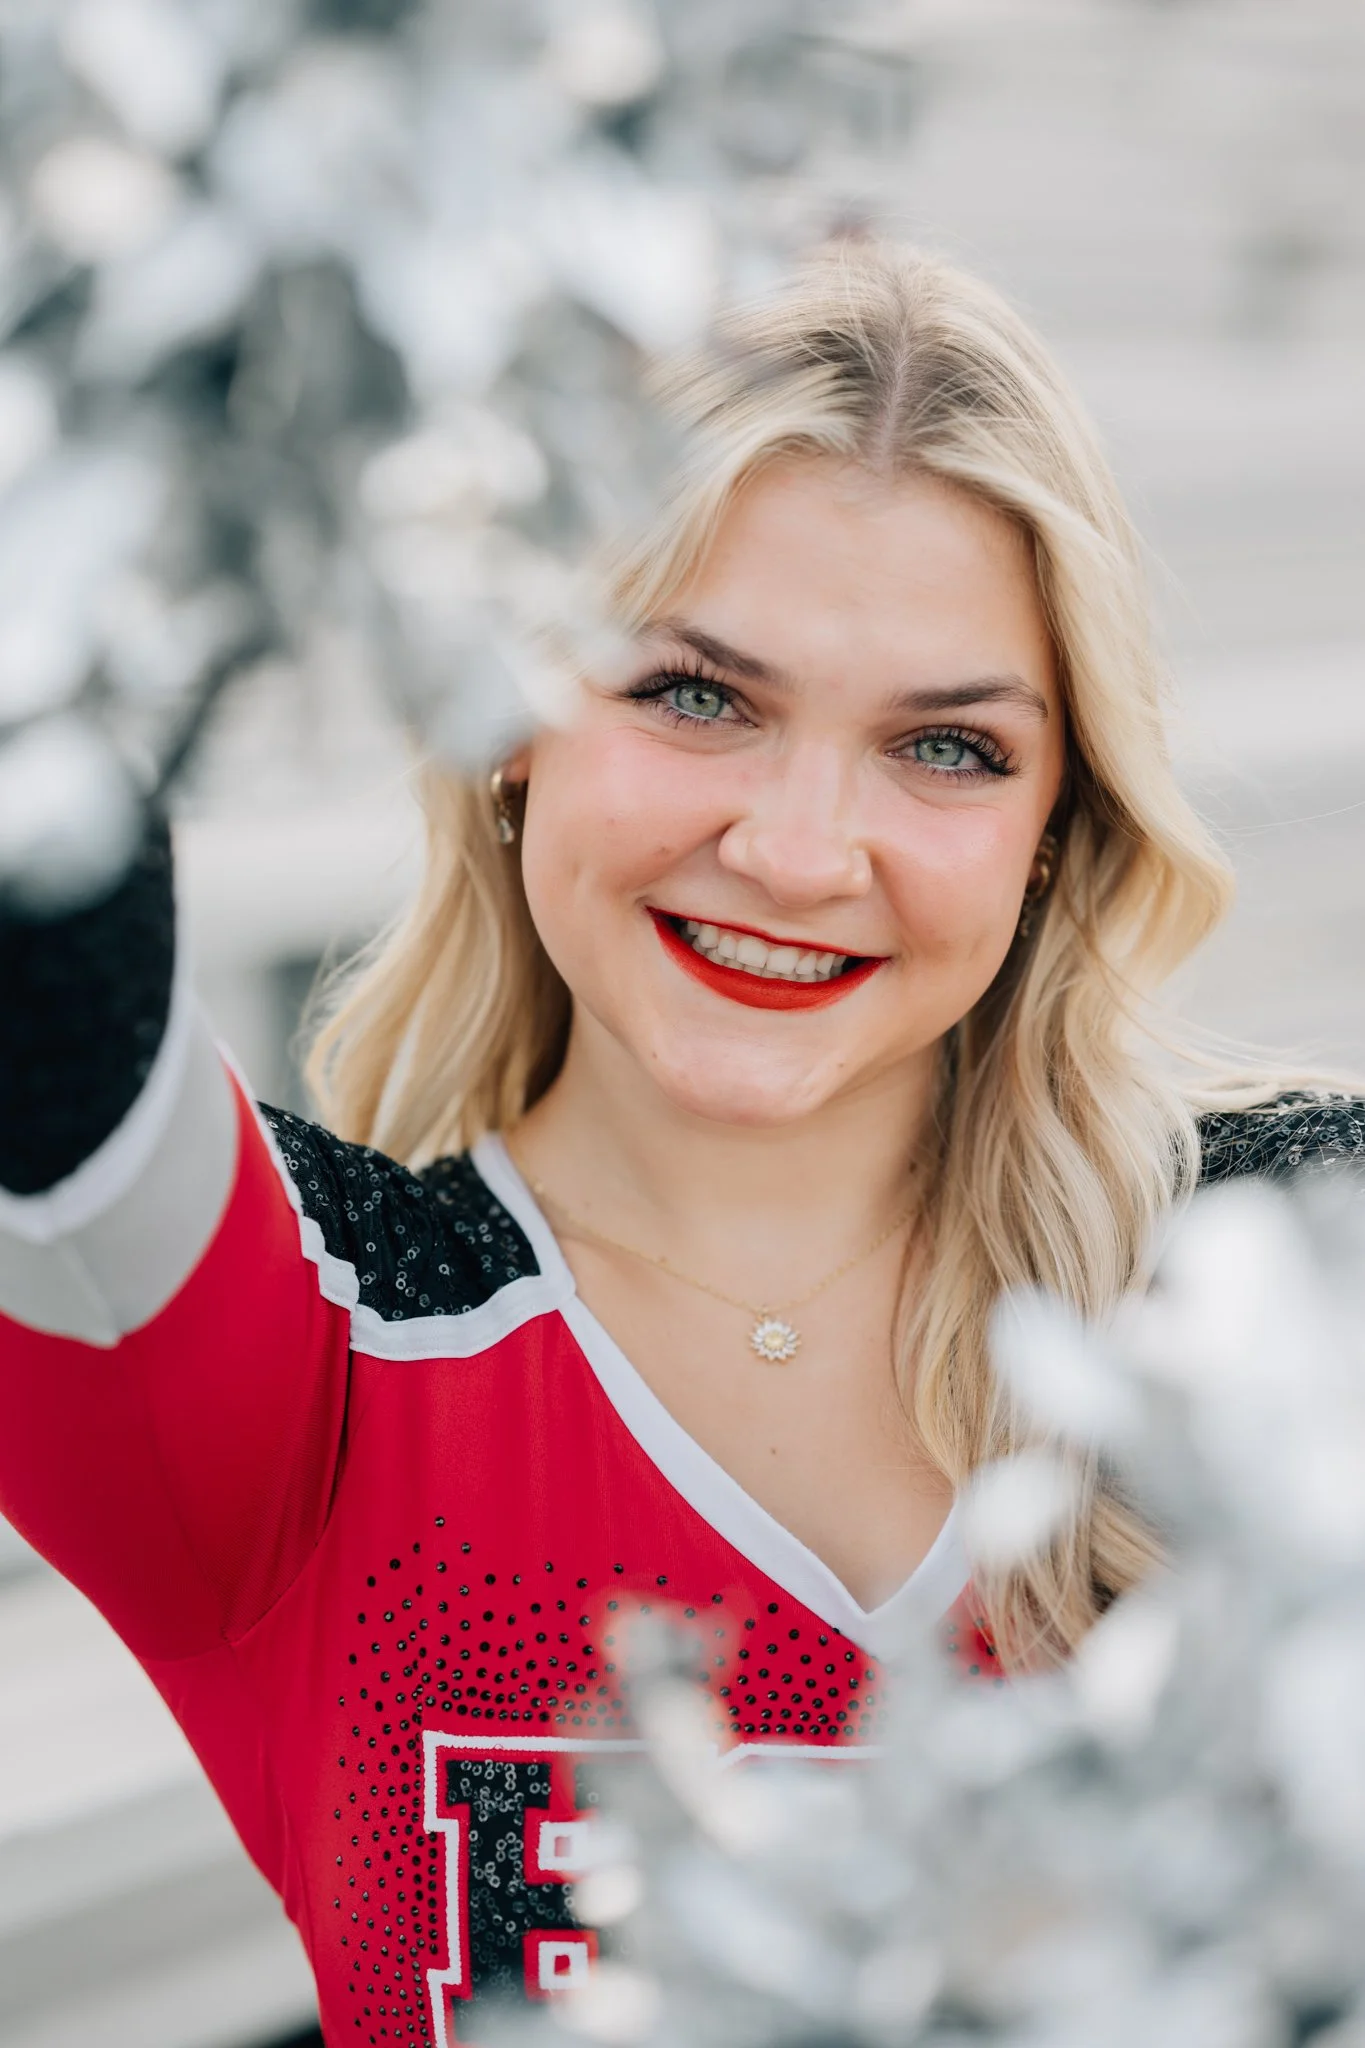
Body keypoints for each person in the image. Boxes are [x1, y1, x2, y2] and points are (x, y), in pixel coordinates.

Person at [0, 242, 1360, 2043]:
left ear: (1055, 825)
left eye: (945, 748)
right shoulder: (316, 1353)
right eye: (695, 695)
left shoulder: (1279, 1295)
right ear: (509, 720)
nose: (802, 852)